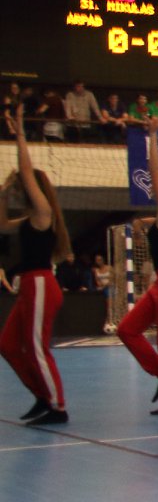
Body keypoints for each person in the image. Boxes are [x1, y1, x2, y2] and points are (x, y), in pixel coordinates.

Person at [2, 105, 73, 425]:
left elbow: (27, 171)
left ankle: (58, 406)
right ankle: (42, 396)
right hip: (31, 284)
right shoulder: (30, 219)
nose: (21, 188)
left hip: (42, 283)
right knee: (7, 344)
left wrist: (20, 133)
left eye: (22, 186)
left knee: (36, 347)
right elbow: (2, 225)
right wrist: (3, 194)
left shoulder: (43, 212)